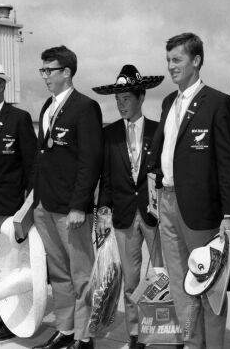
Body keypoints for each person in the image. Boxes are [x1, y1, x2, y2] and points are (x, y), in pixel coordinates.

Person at [148, 32, 230, 349]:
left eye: (177, 59)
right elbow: (163, 151)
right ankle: (191, 342)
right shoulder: (167, 102)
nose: (171, 66)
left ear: (196, 60)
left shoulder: (217, 104)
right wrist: (155, 183)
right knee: (179, 284)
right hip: (167, 202)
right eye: (168, 60)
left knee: (209, 286)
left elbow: (228, 165)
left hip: (201, 211)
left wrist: (229, 215)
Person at [32, 46, 103, 349]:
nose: (45, 75)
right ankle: (65, 329)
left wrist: (79, 205)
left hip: (70, 210)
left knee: (81, 275)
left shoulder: (85, 107)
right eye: (42, 70)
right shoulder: (47, 106)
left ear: (67, 72)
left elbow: (90, 160)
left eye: (50, 69)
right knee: (58, 274)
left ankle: (85, 337)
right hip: (45, 205)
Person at [93, 64, 165, 349]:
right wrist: (102, 212)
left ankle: (163, 329)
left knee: (162, 274)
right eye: (118, 99)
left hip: (153, 214)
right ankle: (135, 333)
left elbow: (164, 172)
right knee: (131, 279)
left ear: (141, 97)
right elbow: (106, 178)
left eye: (126, 99)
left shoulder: (157, 131)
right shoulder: (109, 134)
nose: (121, 105)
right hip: (123, 215)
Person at [0, 61, 37, 342]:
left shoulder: (19, 118)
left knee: (9, 265)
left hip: (8, 204)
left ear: (2, 86)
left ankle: (14, 317)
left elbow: (31, 165)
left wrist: (27, 206)